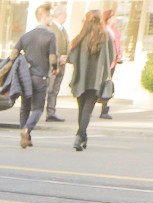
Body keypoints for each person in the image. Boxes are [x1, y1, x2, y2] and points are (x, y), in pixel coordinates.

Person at [69, 10, 115, 150]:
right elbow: (111, 57)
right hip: (96, 80)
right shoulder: (105, 36)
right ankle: (80, 136)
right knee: (87, 111)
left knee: (81, 109)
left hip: (80, 79)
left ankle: (81, 136)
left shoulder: (80, 37)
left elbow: (71, 58)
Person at [12, 4, 57, 148]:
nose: (52, 19)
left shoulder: (26, 36)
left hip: (26, 77)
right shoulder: (50, 36)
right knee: (38, 108)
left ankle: (25, 137)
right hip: (40, 77)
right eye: (50, 16)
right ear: (44, 17)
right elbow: (52, 58)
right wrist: (55, 68)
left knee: (25, 107)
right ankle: (27, 129)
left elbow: (13, 54)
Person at [45, 6, 68, 121]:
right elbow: (51, 47)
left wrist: (66, 57)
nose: (65, 18)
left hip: (62, 64)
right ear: (59, 16)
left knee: (55, 90)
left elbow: (66, 45)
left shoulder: (63, 29)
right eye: (64, 15)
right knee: (49, 89)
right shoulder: (51, 29)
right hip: (53, 64)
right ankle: (38, 111)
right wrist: (58, 58)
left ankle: (51, 112)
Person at [100, 9, 123, 118]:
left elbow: (118, 43)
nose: (115, 19)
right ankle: (92, 106)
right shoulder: (103, 30)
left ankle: (104, 109)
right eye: (113, 17)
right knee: (101, 83)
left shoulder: (115, 30)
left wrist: (120, 53)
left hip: (113, 61)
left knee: (108, 84)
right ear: (108, 19)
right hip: (104, 62)